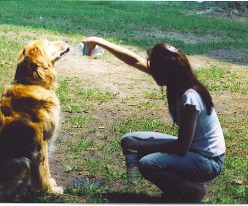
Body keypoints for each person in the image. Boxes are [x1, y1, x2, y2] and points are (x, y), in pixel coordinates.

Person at [82, 37, 226, 203]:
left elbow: (181, 147)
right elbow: (134, 60)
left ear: (165, 73)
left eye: (154, 69)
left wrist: (143, 146)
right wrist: (99, 42)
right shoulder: (176, 78)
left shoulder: (190, 98)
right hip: (193, 150)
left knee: (148, 164)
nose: (150, 71)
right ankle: (176, 190)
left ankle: (192, 190)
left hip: (208, 161)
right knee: (129, 140)